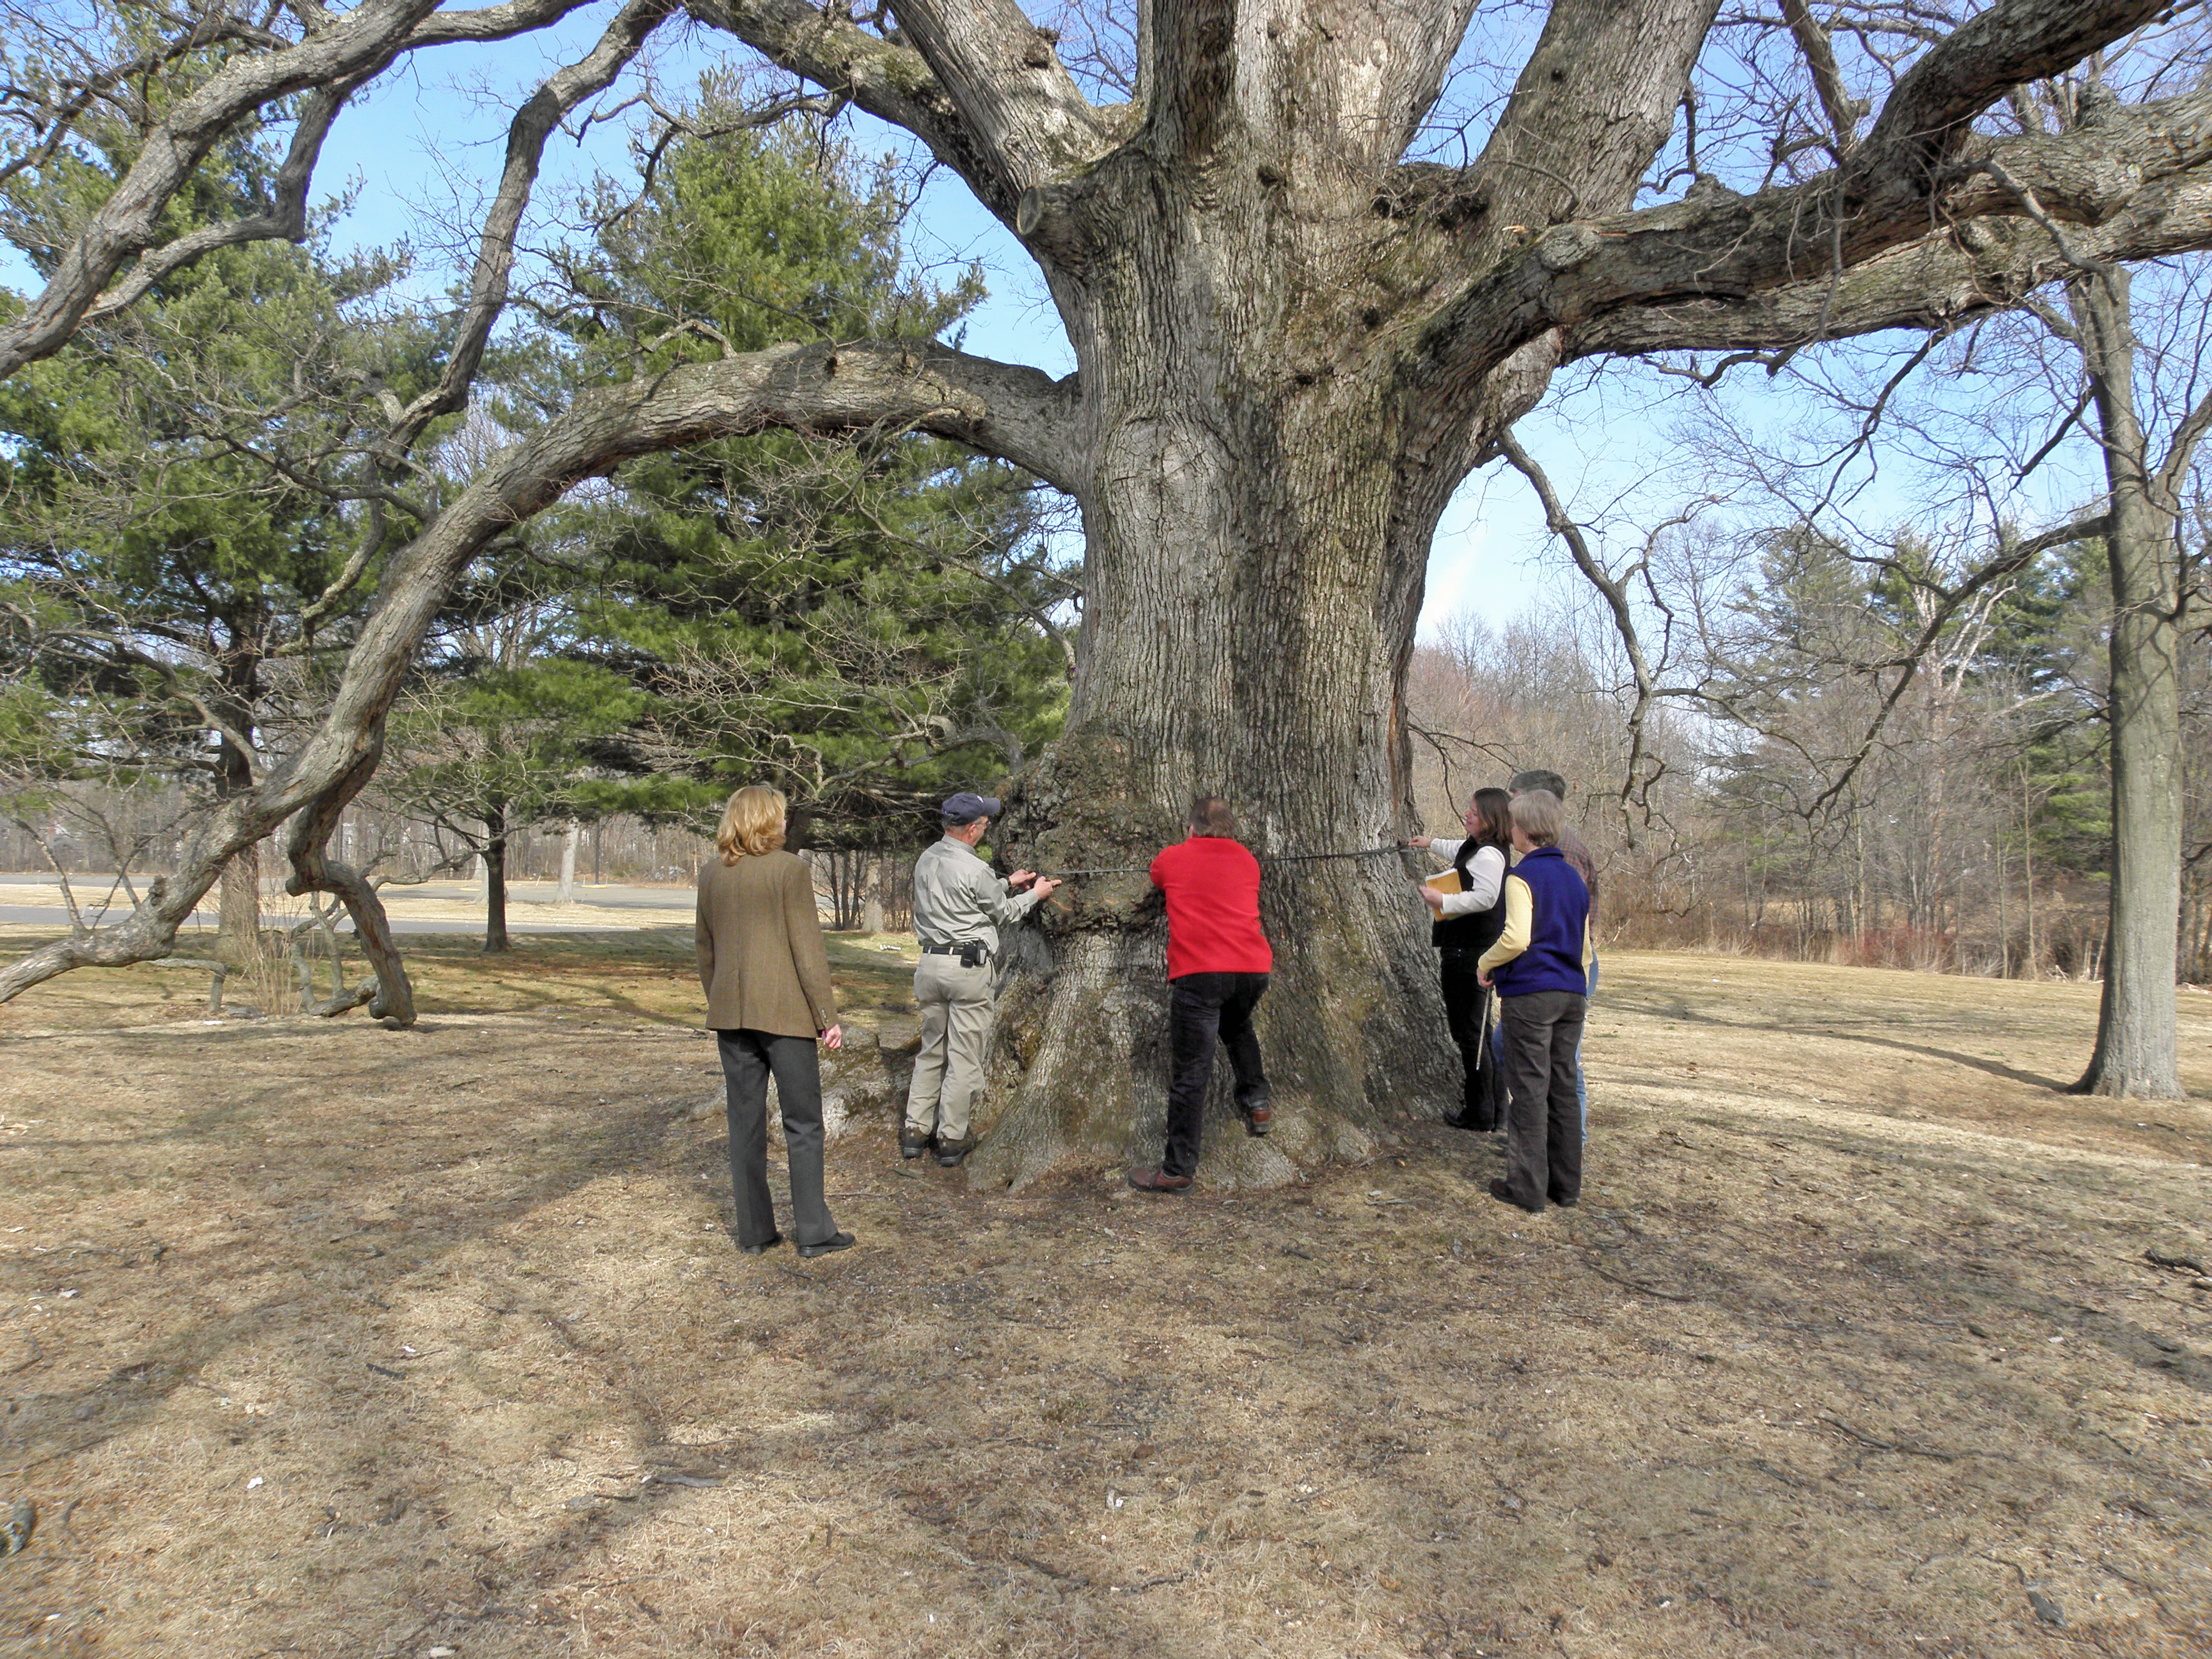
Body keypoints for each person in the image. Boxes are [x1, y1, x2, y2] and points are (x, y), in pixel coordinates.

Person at [695, 784, 853, 1258]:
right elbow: (808, 951)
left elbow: (706, 951)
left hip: (731, 1016)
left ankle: (755, 1232)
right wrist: (827, 1017)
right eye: (781, 817)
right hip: (785, 1016)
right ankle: (814, 1232)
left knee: (744, 1124)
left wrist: (720, 998)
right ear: (767, 821)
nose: (786, 824)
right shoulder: (790, 870)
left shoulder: (710, 875)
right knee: (803, 1123)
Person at [904, 792, 1060, 1167]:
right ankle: (952, 1138)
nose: (987, 826)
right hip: (967, 970)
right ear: (972, 829)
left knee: (931, 1049)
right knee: (963, 1056)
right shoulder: (975, 870)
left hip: (929, 966)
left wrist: (1006, 881)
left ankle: (914, 1131)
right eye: (985, 822)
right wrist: (1034, 894)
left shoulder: (928, 858)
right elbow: (1003, 913)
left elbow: (963, 897)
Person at [1129, 796, 1275, 1194]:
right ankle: (1257, 1101)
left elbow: (1157, 875)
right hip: (1252, 969)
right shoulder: (1247, 859)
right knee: (1239, 1027)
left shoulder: (1175, 857)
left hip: (1202, 971)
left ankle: (1177, 1169)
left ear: (1192, 827)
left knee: (1192, 1072)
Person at [1477, 789, 1592, 1214]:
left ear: (1523, 830)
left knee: (1528, 1090)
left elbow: (1517, 938)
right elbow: (1582, 945)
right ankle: (1566, 1186)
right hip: (1571, 994)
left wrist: (1486, 963)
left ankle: (1526, 1187)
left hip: (1532, 994)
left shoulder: (1521, 877)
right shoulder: (1574, 880)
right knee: (1562, 1088)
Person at [1411, 787, 1512, 1131]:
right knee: (1477, 1032)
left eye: (1473, 811)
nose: (1467, 815)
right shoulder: (1480, 849)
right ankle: (1496, 1110)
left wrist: (1444, 901)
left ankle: (1480, 1112)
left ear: (1489, 819)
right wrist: (1430, 843)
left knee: (1469, 1034)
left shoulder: (1489, 856)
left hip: (1468, 953)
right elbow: (1460, 851)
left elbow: (1486, 896)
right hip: (1469, 952)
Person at [1507, 768, 1599, 1132]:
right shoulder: (1542, 850)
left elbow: (1558, 922)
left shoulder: (1564, 854)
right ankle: (1541, 1144)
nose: (1510, 810)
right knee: (1513, 1053)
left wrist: (1493, 961)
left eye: (1515, 798)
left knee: (1563, 1066)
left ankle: (1566, 1145)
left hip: (1563, 969)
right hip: (1551, 970)